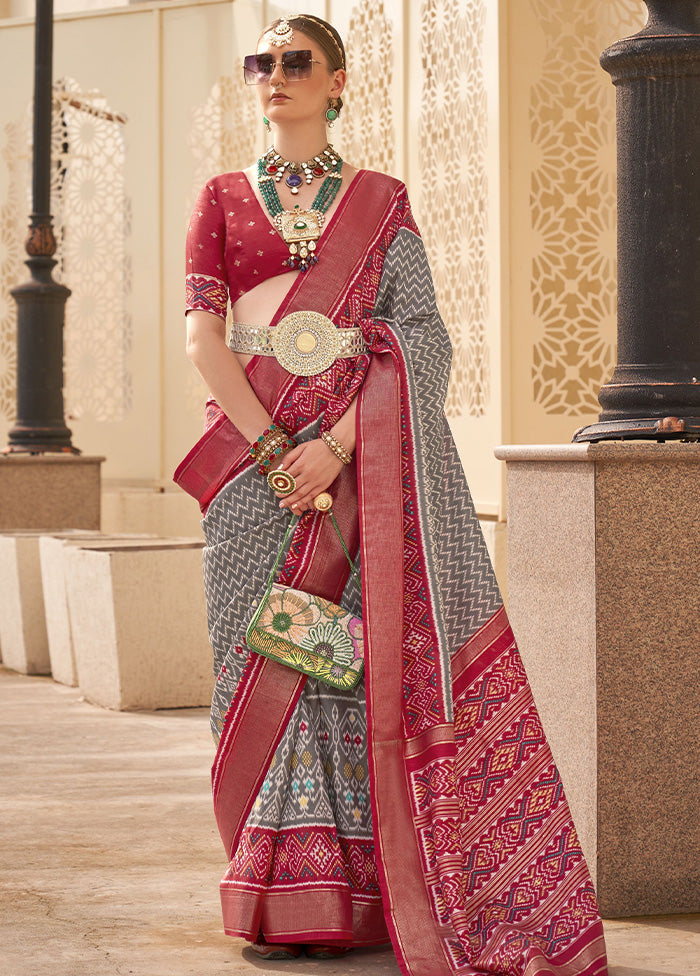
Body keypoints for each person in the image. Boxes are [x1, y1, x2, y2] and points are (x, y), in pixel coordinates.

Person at [178, 13, 609, 975]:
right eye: (264, 64)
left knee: (341, 671)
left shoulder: (381, 201)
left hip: (358, 474)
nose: (273, 77)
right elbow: (204, 339)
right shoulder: (219, 198)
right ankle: (274, 888)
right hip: (255, 478)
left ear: (336, 82)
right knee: (266, 669)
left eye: (296, 64)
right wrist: (279, 449)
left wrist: (335, 450)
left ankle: (351, 893)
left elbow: (424, 334)